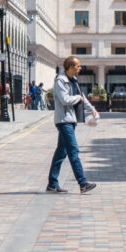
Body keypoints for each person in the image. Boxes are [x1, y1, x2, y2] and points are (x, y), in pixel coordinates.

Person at [47, 57, 98, 194]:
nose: (80, 68)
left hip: (71, 119)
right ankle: (83, 183)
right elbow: (65, 100)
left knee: (61, 153)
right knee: (73, 151)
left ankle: (52, 183)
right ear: (70, 67)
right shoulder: (60, 81)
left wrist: (92, 109)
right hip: (64, 121)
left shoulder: (73, 80)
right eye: (78, 66)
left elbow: (82, 97)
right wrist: (79, 98)